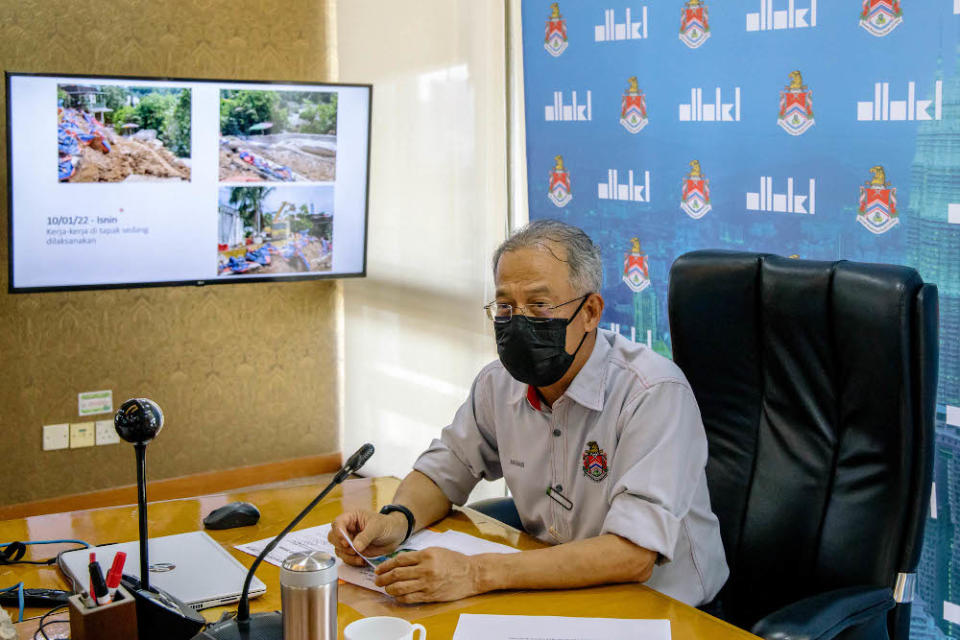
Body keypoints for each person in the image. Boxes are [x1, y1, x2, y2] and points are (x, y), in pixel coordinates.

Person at [328, 219, 729, 606]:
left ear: (590, 312)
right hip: (556, 587)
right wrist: (396, 522)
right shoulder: (497, 384)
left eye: (539, 305)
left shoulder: (651, 393)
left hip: (665, 608)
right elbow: (445, 469)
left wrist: (475, 574)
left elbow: (633, 554)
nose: (518, 323)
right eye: (505, 307)